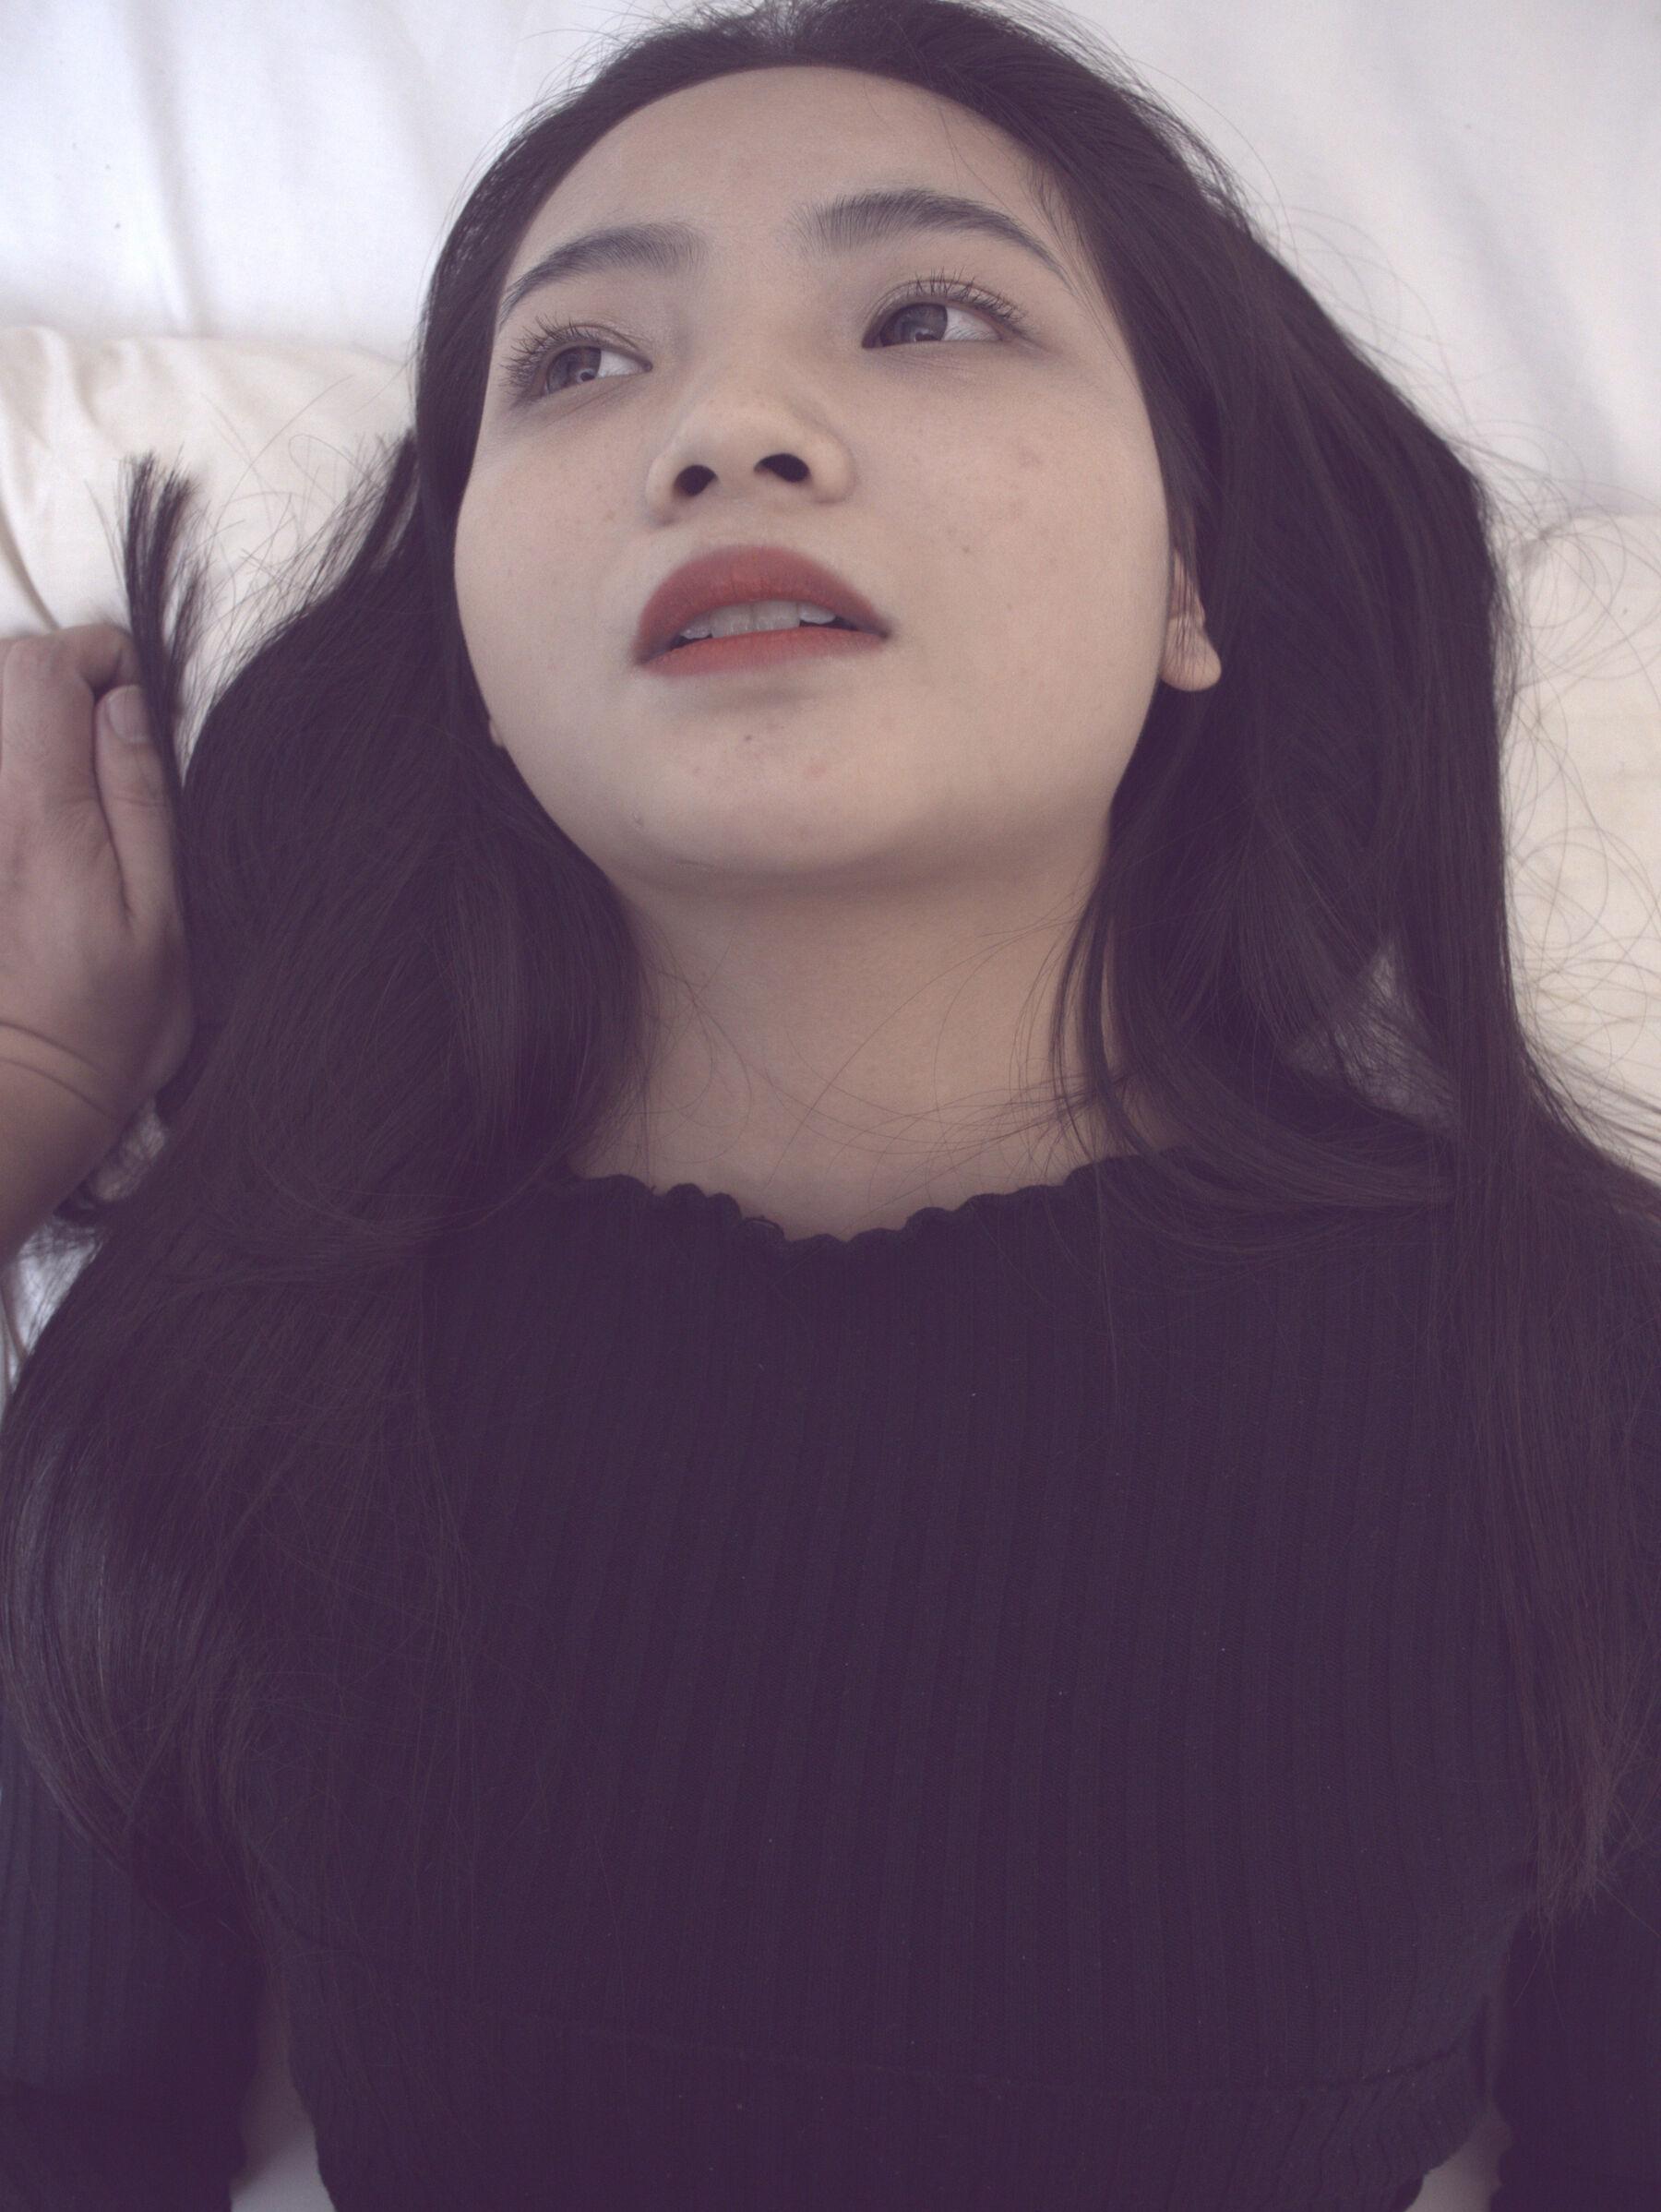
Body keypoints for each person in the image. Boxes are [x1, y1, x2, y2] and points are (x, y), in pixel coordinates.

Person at [1, 6, 1657, 2209]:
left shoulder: (1582, 1390)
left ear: (1189, 575)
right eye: (580, 361)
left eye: (930, 313)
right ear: (473, 644)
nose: (728, 427)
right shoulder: (216, 1369)